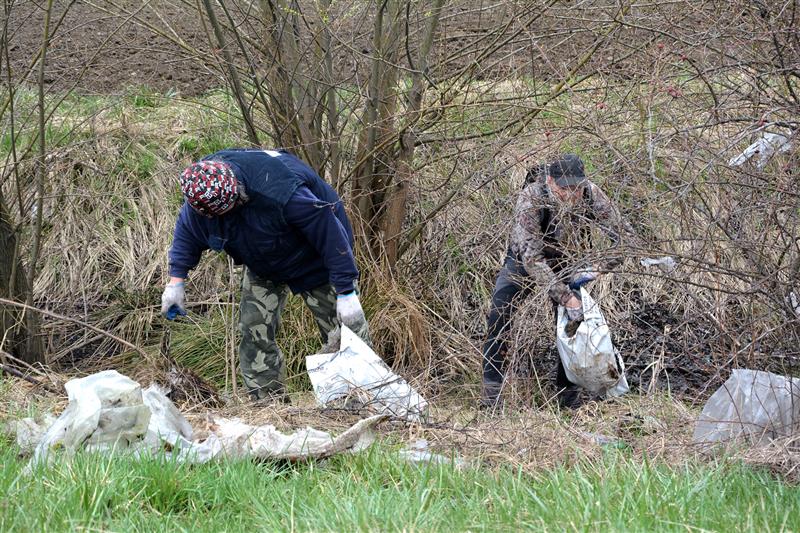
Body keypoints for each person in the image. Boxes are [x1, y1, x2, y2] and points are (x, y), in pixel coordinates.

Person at [160, 148, 370, 400]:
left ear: (237, 190)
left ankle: (360, 398)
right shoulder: (201, 192)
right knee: (253, 331)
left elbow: (329, 232)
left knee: (345, 332)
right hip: (263, 261)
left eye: (231, 209)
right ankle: (268, 403)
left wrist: (346, 291)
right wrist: (176, 282)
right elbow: (187, 231)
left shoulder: (281, 190)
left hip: (315, 258)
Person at [481, 154, 635, 409]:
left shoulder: (591, 193)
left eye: (577, 188)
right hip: (525, 259)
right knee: (500, 313)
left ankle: (569, 398)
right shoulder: (532, 197)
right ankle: (491, 397)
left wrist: (600, 268)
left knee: (573, 327)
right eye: (565, 188)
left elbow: (626, 239)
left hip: (568, 261)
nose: (572, 195)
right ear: (551, 181)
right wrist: (565, 297)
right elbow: (532, 259)